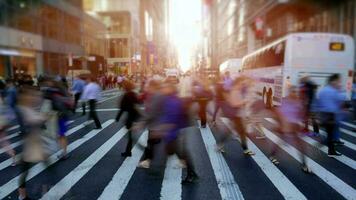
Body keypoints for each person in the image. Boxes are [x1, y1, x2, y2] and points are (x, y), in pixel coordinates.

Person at [269, 86, 311, 173]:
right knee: (281, 141)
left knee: (300, 145)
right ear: (289, 92)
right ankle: (272, 155)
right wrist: (281, 124)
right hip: (286, 126)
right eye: (293, 91)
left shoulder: (298, 101)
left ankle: (304, 164)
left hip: (294, 126)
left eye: (295, 92)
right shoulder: (285, 101)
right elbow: (278, 113)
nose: (295, 93)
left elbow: (301, 114)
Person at [219, 76, 255, 155]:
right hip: (236, 115)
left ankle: (220, 144)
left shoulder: (237, 90)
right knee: (241, 132)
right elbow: (234, 104)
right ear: (238, 83)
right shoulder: (234, 91)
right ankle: (245, 149)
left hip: (238, 115)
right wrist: (244, 101)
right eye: (242, 83)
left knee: (234, 131)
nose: (243, 85)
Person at [137, 80, 164, 168]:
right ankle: (147, 160)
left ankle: (147, 161)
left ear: (153, 87)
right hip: (156, 124)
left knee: (151, 143)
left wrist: (142, 122)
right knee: (152, 142)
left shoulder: (156, 96)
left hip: (155, 124)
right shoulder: (156, 95)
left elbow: (152, 112)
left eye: (149, 86)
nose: (147, 87)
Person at [317, 74, 344, 157]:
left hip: (323, 113)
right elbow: (340, 100)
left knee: (330, 132)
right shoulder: (333, 91)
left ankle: (329, 148)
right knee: (331, 133)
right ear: (333, 81)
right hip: (331, 114)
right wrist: (339, 90)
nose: (339, 83)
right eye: (338, 81)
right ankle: (330, 149)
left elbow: (319, 101)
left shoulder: (322, 90)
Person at [115, 81, 140, 157]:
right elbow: (138, 102)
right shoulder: (134, 94)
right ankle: (128, 151)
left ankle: (128, 151)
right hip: (135, 116)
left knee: (130, 136)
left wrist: (117, 117)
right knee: (130, 135)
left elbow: (122, 108)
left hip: (130, 117)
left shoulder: (126, 95)